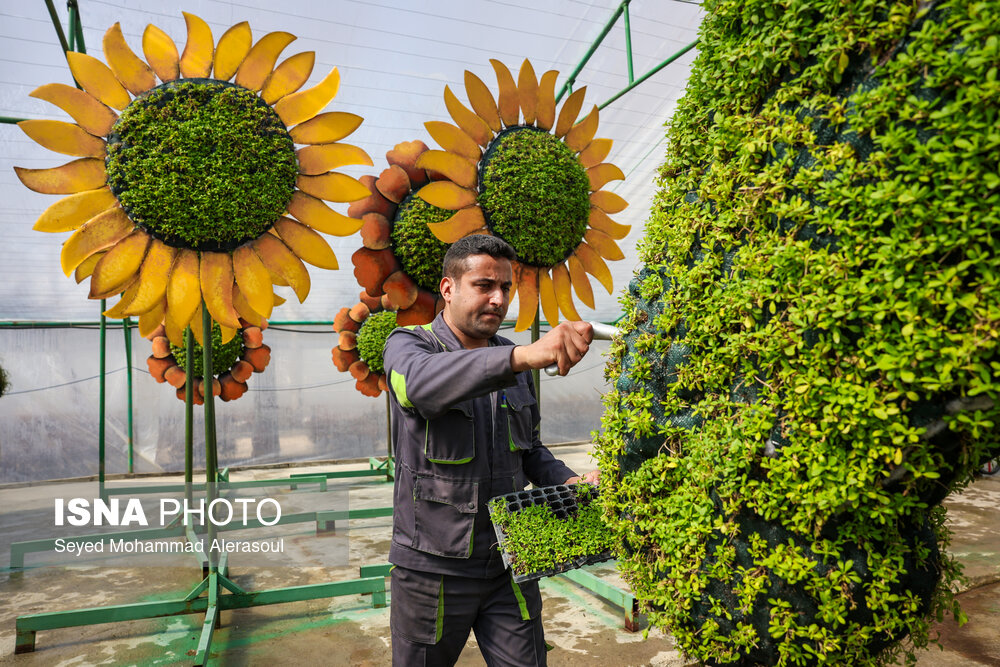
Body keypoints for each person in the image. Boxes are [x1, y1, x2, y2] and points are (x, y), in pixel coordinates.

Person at [383, 234, 599, 666]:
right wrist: (520, 357)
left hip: (509, 563)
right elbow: (418, 387)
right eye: (484, 285)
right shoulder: (409, 345)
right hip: (432, 570)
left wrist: (569, 480)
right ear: (449, 289)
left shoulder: (512, 357)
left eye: (506, 287)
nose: (499, 299)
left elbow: (530, 451)